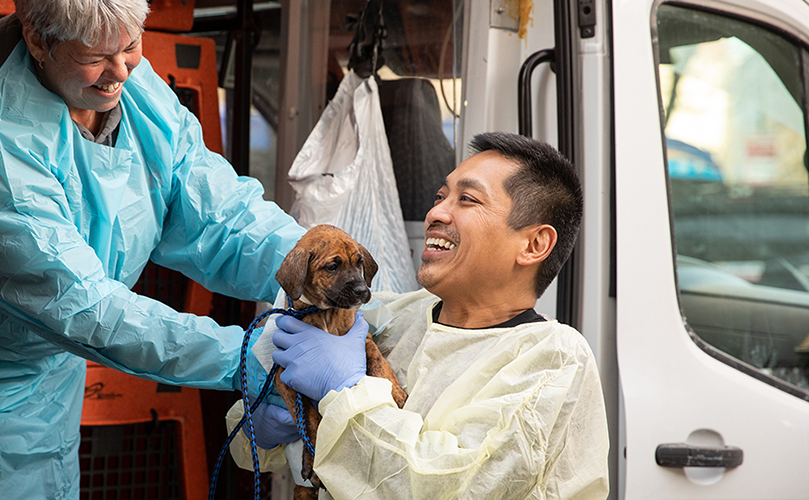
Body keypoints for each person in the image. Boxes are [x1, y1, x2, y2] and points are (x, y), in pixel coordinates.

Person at [0, 1, 304, 499]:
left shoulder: (133, 89)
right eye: (95, 56)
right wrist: (250, 356)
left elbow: (216, 210)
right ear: (36, 41)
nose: (121, 72)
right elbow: (86, 309)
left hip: (56, 386)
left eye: (132, 45)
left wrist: (308, 266)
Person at [237, 132, 609, 499]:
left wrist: (347, 392)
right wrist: (260, 425)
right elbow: (253, 449)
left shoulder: (554, 360)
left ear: (534, 244)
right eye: (440, 196)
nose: (435, 212)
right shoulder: (396, 316)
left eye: (467, 198)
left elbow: (444, 488)